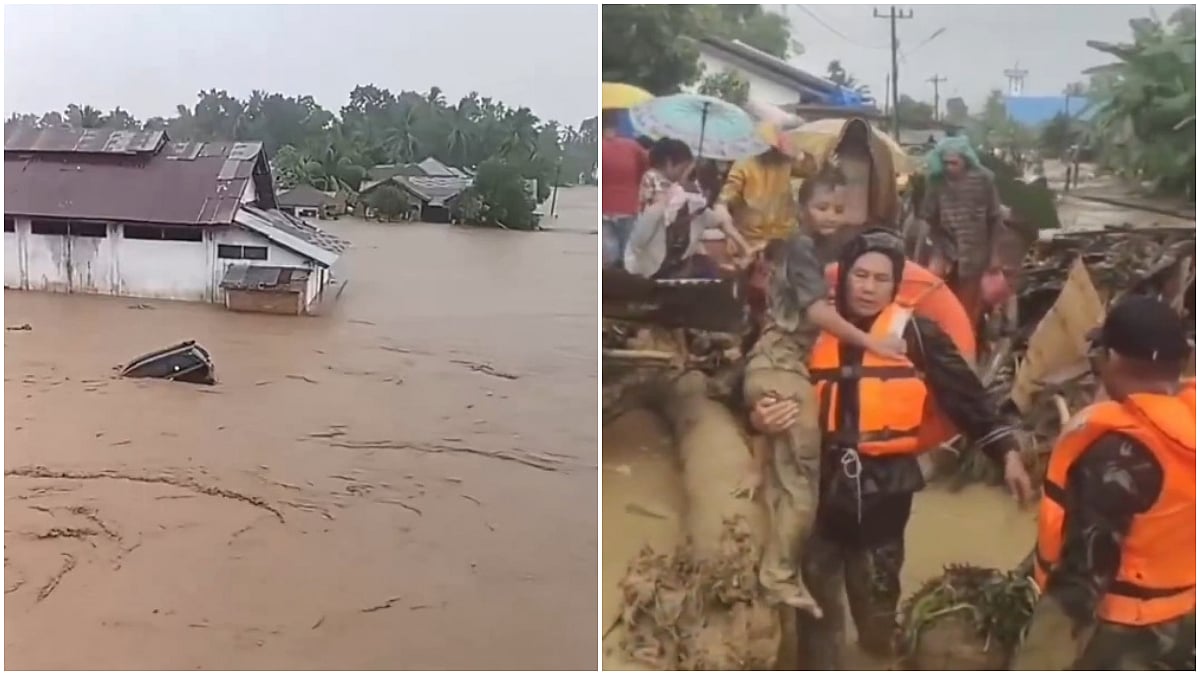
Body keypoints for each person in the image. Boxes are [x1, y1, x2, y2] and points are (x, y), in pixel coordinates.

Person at [747, 229, 1032, 669]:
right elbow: (752, 385)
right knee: (818, 604)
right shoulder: (807, 330)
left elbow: (966, 396)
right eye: (860, 275)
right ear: (842, 279)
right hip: (820, 484)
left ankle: (878, 654)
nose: (868, 287)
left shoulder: (916, 332)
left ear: (895, 284)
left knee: (876, 598)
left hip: (886, 489)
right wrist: (760, 417)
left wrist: (1007, 452)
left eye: (881, 279)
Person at [738, 166, 907, 616]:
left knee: (787, 468)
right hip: (780, 366)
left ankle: (778, 559)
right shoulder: (800, 248)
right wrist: (872, 342)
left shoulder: (810, 250)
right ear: (802, 207)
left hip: (777, 368)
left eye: (838, 208)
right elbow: (813, 312)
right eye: (821, 207)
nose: (831, 216)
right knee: (801, 482)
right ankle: (776, 575)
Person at [1013, 295, 1195, 670]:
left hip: (1124, 634)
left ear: (1110, 357)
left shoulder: (1118, 453)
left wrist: (1037, 659)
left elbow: (1081, 581)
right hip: (1185, 620)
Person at [918, 136, 1004, 328]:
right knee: (933, 291)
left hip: (974, 251)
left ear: (966, 159)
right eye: (945, 163)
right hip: (945, 248)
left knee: (967, 304)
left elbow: (995, 218)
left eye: (954, 163)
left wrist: (994, 256)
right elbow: (928, 217)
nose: (949, 167)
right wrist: (934, 248)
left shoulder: (983, 180)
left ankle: (966, 339)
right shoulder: (936, 181)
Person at [818, 117, 900, 230]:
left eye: (858, 182)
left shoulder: (880, 156)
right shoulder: (833, 151)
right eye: (842, 182)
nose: (848, 192)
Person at [601, 109, 648, 268]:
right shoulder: (633, 147)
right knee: (628, 258)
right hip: (629, 208)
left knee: (608, 259)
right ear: (617, 125)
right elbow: (646, 170)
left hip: (604, 210)